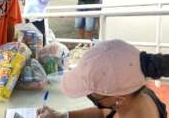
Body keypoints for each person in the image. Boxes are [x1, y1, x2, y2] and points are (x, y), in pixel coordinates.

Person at [37, 39, 167, 118]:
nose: (89, 96)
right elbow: (104, 113)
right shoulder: (135, 92)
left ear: (118, 98)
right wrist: (63, 116)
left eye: (92, 95)